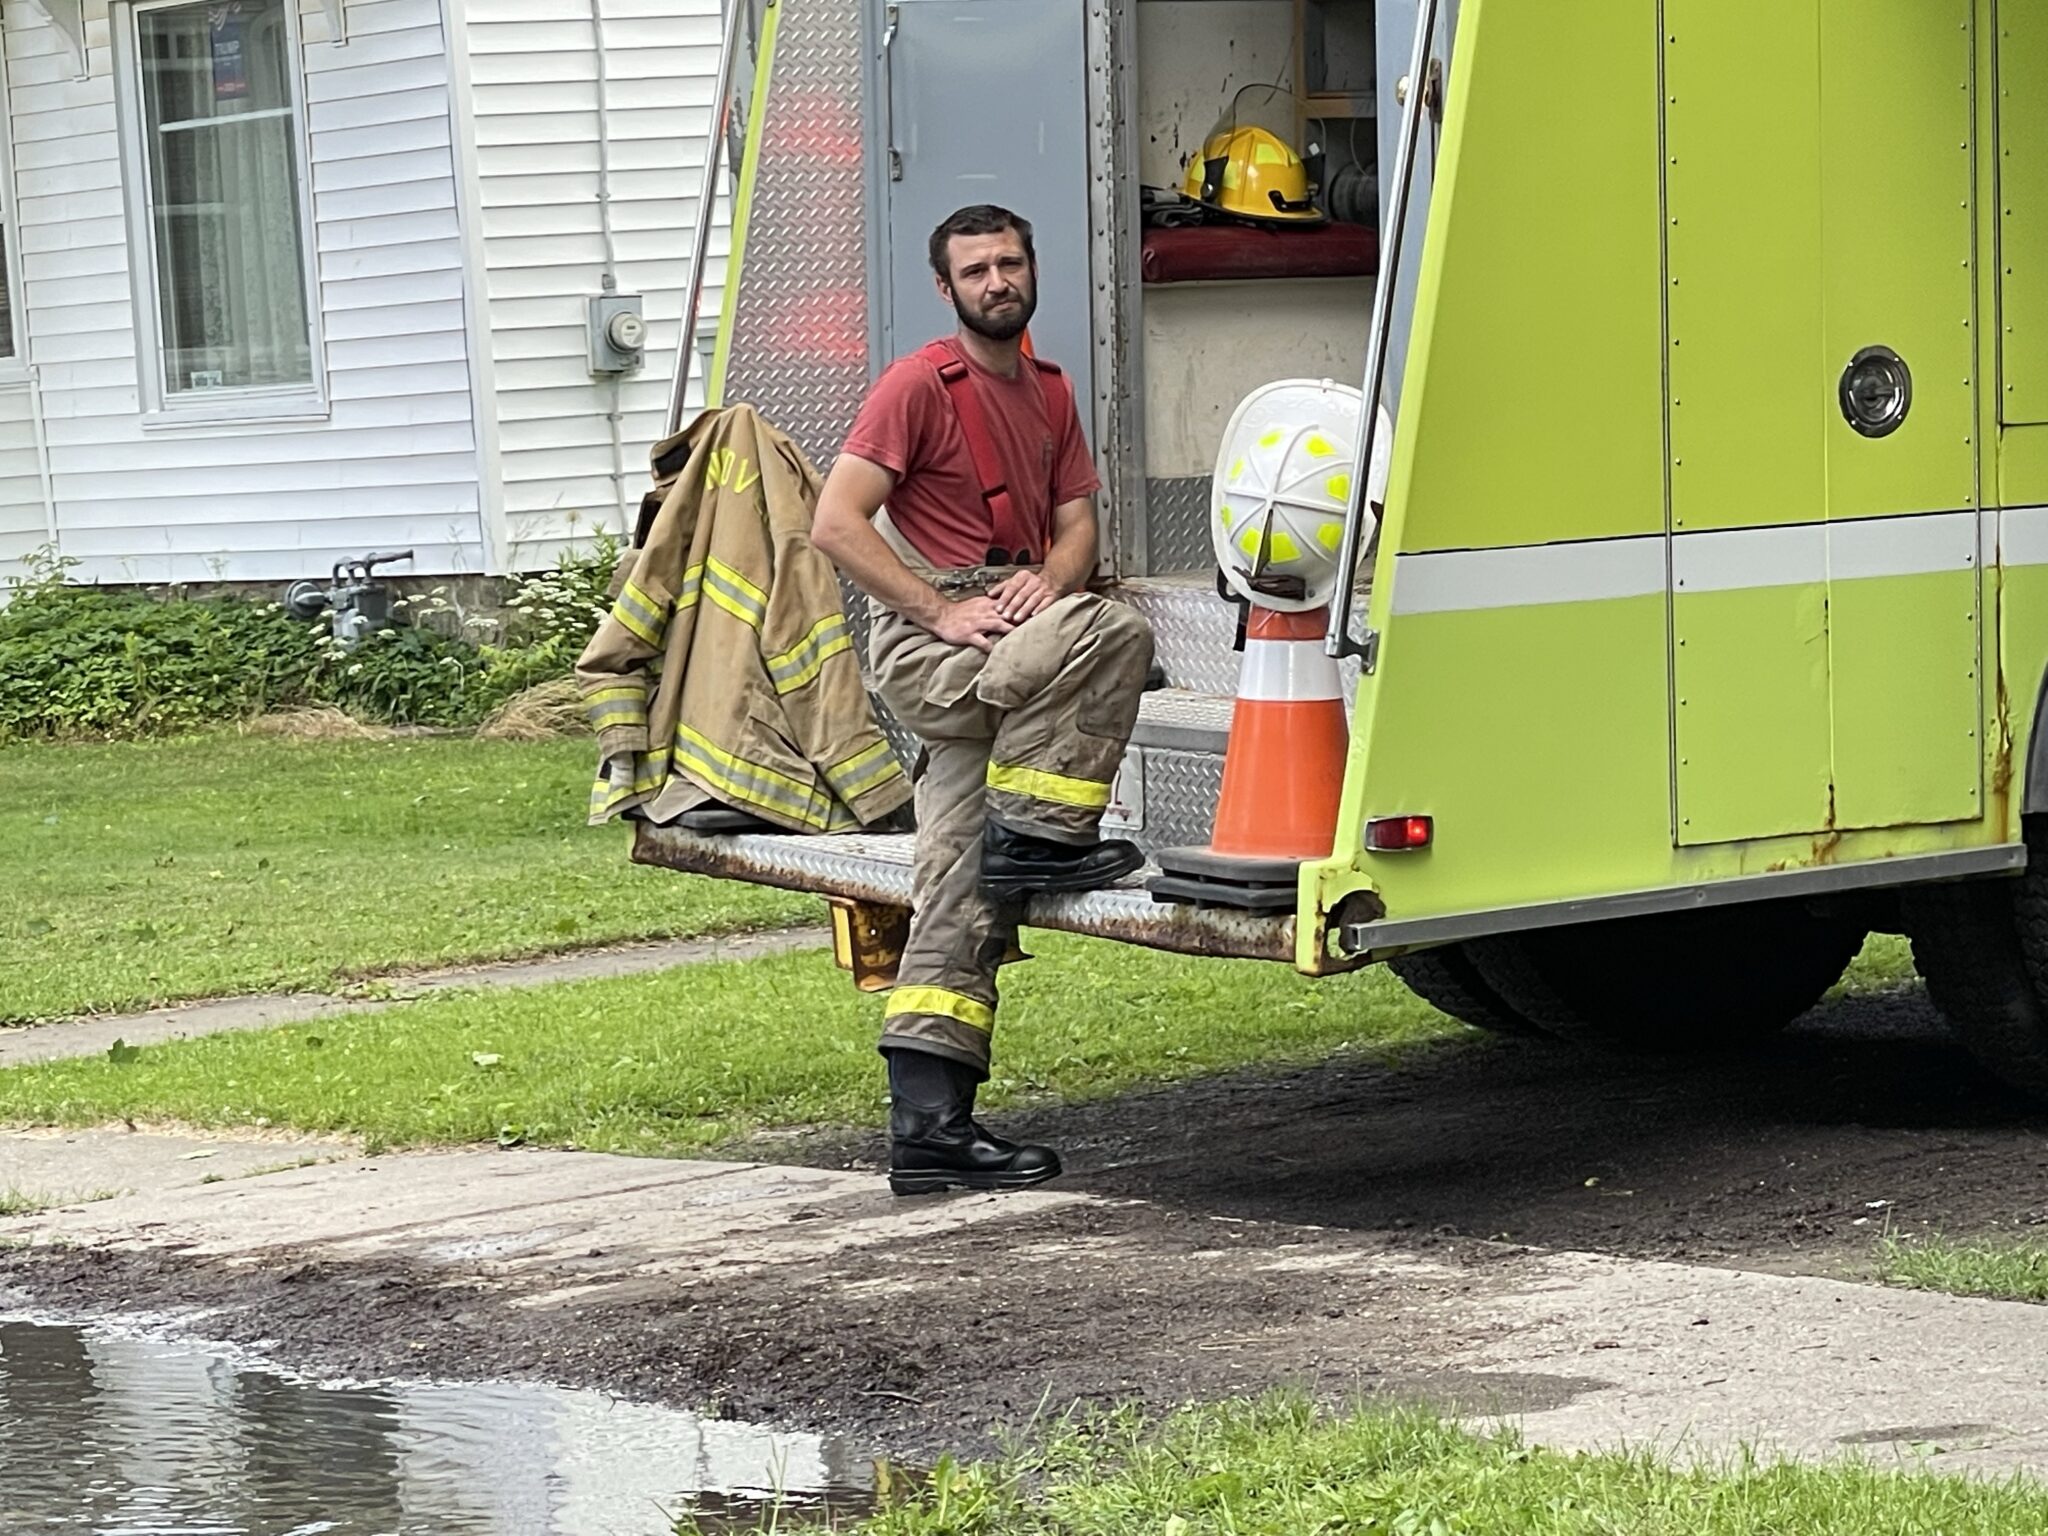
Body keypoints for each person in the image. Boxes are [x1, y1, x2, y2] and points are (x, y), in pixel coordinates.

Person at [811, 204, 1156, 1196]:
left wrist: (1049, 581)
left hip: (1017, 629)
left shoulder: (1047, 394)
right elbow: (834, 523)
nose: (995, 280)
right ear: (945, 288)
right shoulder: (918, 386)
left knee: (953, 889)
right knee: (1117, 632)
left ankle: (928, 1132)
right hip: (937, 649)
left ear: (1030, 271)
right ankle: (1040, 834)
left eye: (1009, 262)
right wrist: (938, 609)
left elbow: (1076, 523)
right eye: (974, 269)